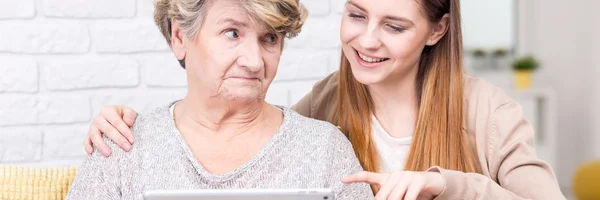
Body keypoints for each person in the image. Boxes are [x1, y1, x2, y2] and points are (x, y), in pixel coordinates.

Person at [83, 0, 567, 199]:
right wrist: (130, 123)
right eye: (357, 15)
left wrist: (446, 185)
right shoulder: (329, 106)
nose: (367, 40)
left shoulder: (487, 112)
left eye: (395, 26)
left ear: (437, 29)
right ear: (179, 38)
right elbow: (260, 141)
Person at [66, 0, 374, 199]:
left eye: (270, 38)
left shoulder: (323, 150)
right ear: (179, 37)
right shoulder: (124, 148)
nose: (254, 61)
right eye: (232, 33)